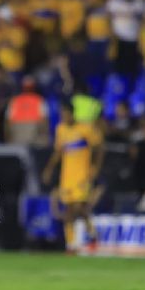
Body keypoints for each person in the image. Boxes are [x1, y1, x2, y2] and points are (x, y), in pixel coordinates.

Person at [42, 103, 103, 254]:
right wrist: (49, 169)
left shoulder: (85, 129)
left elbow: (100, 148)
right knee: (70, 209)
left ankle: (81, 240)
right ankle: (74, 243)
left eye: (66, 114)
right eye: (62, 115)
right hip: (67, 177)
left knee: (79, 207)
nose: (64, 117)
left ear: (73, 114)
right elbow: (58, 152)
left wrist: (95, 168)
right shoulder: (61, 129)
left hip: (83, 175)